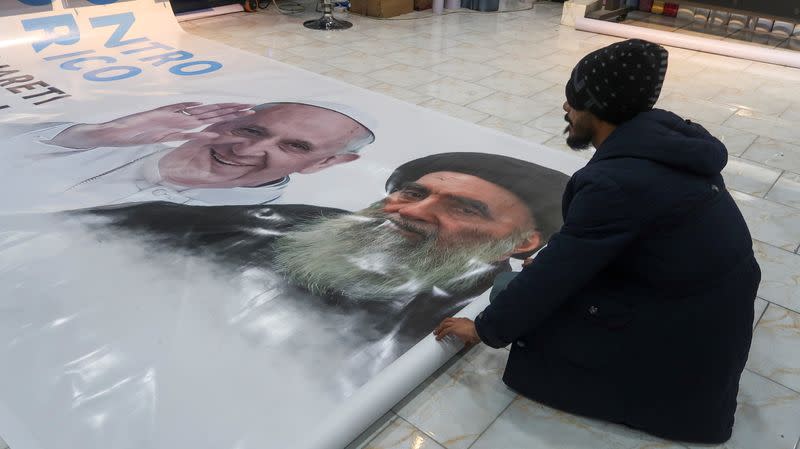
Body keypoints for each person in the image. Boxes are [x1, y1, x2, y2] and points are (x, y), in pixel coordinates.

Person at [434, 39, 761, 445]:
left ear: (598, 108)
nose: (565, 110)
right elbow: (600, 242)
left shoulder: (616, 183)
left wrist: (484, 330)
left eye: (572, 100)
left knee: (508, 292)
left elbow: (557, 275)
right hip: (702, 303)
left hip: (683, 335)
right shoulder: (663, 141)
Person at [0, 101, 375, 210]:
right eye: (250, 130)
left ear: (327, 163)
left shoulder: (246, 229)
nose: (246, 150)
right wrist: (97, 135)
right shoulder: (115, 145)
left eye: (294, 146)